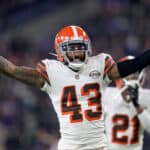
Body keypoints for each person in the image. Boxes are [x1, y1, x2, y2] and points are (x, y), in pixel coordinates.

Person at [0, 25, 150, 150]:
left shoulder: (99, 64)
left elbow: (133, 65)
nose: (77, 53)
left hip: (98, 145)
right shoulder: (52, 71)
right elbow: (13, 70)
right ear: (60, 51)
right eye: (72, 49)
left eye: (80, 48)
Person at [103, 56, 150, 150]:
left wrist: (139, 109)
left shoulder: (147, 96)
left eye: (135, 72)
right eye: (128, 73)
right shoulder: (108, 93)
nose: (132, 76)